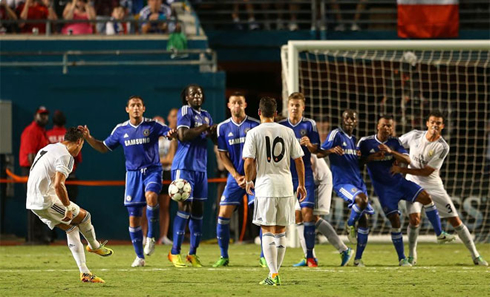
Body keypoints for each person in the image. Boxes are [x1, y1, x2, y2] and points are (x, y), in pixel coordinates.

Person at [79, 95, 175, 267]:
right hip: (132, 175)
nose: (136, 108)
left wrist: (170, 133)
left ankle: (152, 237)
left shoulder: (152, 125)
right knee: (134, 219)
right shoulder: (121, 129)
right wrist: (88, 138)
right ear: (127, 109)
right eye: (133, 105)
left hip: (152, 171)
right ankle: (139, 257)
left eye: (139, 105)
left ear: (144, 108)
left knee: (152, 197)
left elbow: (167, 132)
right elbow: (103, 147)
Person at [359, 115, 456, 266]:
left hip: (400, 183)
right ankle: (402, 258)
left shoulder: (394, 142)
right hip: (384, 190)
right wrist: (372, 157)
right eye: (384, 125)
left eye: (390, 126)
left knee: (426, 197)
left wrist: (391, 152)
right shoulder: (365, 142)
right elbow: (358, 161)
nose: (387, 128)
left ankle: (439, 233)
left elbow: (408, 160)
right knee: (396, 222)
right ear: (377, 126)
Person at [394, 111, 488, 266]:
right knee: (414, 219)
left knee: (455, 221)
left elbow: (426, 172)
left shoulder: (443, 146)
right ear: (427, 123)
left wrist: (402, 170)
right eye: (432, 122)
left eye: (438, 123)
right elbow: (396, 144)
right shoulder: (414, 135)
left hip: (433, 185)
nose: (435, 125)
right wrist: (398, 155)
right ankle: (412, 255)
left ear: (442, 126)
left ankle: (475, 255)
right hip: (413, 183)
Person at [26, 127, 113, 283]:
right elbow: (59, 185)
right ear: (79, 142)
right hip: (45, 200)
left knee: (71, 228)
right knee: (85, 217)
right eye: (82, 146)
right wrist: (67, 207)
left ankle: (85, 273)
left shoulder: (49, 148)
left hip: (33, 200)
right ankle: (94, 245)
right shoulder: (65, 156)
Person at [243, 97, 306, 286]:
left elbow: (248, 161)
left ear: (259, 113)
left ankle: (273, 273)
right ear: (276, 114)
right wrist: (301, 184)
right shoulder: (288, 132)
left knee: (267, 229)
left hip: (266, 186)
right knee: (280, 231)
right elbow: (299, 160)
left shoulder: (254, 133)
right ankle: (275, 273)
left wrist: (248, 181)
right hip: (286, 186)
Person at [317, 109, 374, 267]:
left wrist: (369, 158)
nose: (349, 121)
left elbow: (357, 162)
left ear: (356, 122)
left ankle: (358, 259)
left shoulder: (355, 140)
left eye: (352, 119)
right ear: (342, 120)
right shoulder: (336, 134)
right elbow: (319, 152)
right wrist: (330, 150)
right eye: (347, 118)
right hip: (342, 183)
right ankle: (349, 225)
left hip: (357, 183)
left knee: (364, 220)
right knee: (361, 201)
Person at [168, 84, 217, 268]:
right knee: (184, 206)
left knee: (198, 210)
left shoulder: (206, 114)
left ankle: (192, 253)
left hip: (200, 168)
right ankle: (174, 252)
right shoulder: (185, 110)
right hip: (185, 165)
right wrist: (203, 127)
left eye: (199, 93)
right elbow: (182, 135)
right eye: (192, 94)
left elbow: (211, 138)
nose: (197, 96)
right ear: (186, 98)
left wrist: (213, 133)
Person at [212, 93, 260, 267]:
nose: (237, 106)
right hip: (236, 179)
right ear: (229, 105)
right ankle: (224, 256)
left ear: (245, 104)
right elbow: (222, 155)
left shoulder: (255, 125)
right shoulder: (223, 127)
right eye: (234, 103)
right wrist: (235, 175)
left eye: (240, 102)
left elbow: (260, 154)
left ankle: (263, 257)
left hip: (255, 177)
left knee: (261, 215)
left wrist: (250, 177)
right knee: (223, 215)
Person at [277, 92, 321, 267]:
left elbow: (317, 149)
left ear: (303, 107)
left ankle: (310, 257)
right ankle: (268, 256)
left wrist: (309, 145)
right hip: (285, 175)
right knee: (290, 216)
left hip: (305, 174)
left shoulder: (310, 124)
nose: (294, 108)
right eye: (292, 105)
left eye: (298, 105)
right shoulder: (280, 126)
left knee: (308, 213)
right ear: (288, 106)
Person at [293, 154, 354, 267]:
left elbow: (309, 161)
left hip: (319, 180)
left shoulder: (292, 139)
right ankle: (309, 256)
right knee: (298, 215)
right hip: (308, 180)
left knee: (310, 216)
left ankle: (343, 250)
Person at [20, 106, 51, 244]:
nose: (44, 117)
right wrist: (37, 173)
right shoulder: (31, 131)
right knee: (34, 204)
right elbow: (31, 155)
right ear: (35, 116)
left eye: (45, 115)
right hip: (32, 171)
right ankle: (33, 237)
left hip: (39, 171)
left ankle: (38, 236)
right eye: (41, 115)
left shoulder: (42, 131)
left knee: (41, 203)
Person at [46, 110, 83, 203]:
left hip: (52, 177)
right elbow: (77, 157)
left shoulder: (47, 135)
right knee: (70, 206)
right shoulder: (69, 137)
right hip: (69, 177)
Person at [156, 110, 178, 245]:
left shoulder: (170, 140)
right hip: (153, 174)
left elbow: (170, 159)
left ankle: (163, 236)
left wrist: (156, 160)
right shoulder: (151, 141)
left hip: (167, 174)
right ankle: (146, 236)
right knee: (149, 205)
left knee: (165, 206)